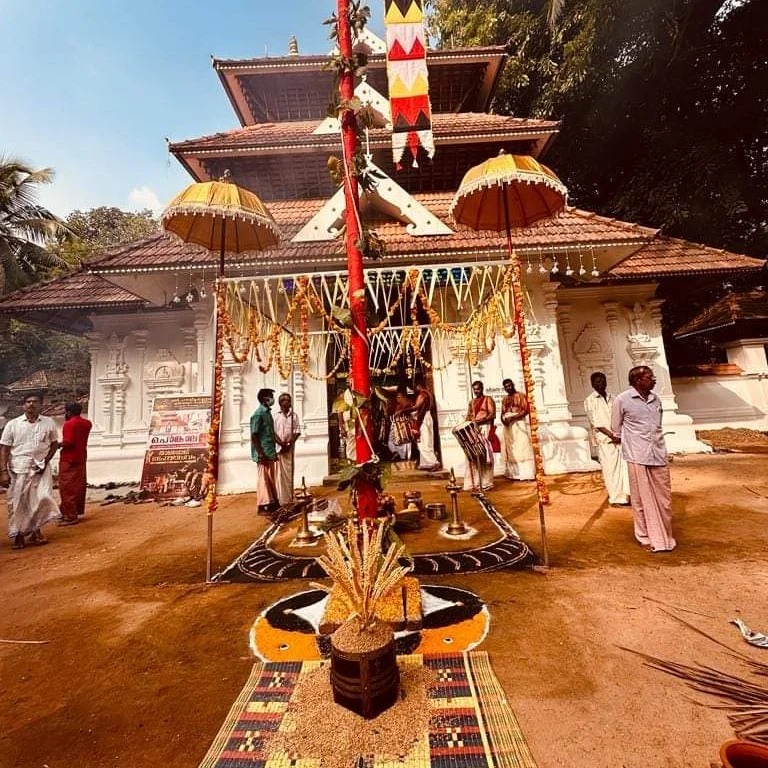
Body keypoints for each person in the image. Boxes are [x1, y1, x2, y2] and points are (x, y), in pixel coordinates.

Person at [611, 366, 676, 552]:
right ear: (638, 380)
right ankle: (645, 536)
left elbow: (657, 426)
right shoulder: (622, 400)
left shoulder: (656, 400)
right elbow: (616, 427)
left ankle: (665, 535)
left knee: (664, 498)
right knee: (641, 498)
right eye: (649, 377)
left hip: (658, 452)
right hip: (637, 455)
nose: (654, 380)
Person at [0, 394, 61, 549]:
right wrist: (3, 471)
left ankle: (36, 530)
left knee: (42, 499)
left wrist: (46, 461)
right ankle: (18, 535)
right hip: (18, 469)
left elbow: (54, 444)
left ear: (41, 404)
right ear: (23, 405)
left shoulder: (49, 423)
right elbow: (5, 449)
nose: (31, 404)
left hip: (41, 468)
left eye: (35, 402)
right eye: (28, 402)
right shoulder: (13, 425)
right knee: (18, 503)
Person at [584, 372, 630, 506]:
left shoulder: (614, 397)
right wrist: (611, 435)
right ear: (592, 384)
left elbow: (621, 416)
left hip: (619, 438)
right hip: (605, 439)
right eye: (597, 382)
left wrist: (620, 434)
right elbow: (596, 423)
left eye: (602, 381)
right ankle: (615, 498)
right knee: (610, 469)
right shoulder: (590, 400)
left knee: (622, 468)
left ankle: (625, 496)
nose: (601, 384)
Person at [58, 401, 93, 524]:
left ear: (68, 412)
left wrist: (56, 444)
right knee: (78, 485)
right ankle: (73, 511)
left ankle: (70, 515)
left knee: (66, 487)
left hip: (68, 459)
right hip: (81, 457)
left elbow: (68, 442)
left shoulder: (69, 424)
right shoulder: (87, 423)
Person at [463, 380, 495, 492]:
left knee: (485, 455)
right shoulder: (471, 402)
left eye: (478, 389)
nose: (477, 391)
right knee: (473, 455)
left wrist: (480, 421)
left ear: (482, 388)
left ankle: (487, 482)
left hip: (484, 429)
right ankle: (474, 483)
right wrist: (466, 425)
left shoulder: (488, 400)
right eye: (475, 389)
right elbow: (468, 416)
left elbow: (492, 414)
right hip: (473, 430)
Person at [250, 388, 279, 513]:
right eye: (270, 397)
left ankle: (272, 502)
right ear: (264, 399)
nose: (272, 399)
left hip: (269, 450)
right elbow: (254, 435)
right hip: (262, 452)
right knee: (263, 478)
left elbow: (271, 433)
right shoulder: (258, 414)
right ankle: (263, 504)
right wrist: (260, 453)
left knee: (270, 477)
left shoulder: (267, 413)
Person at [500, 379, 535, 481]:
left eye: (510, 385)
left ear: (513, 385)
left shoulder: (521, 396)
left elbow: (525, 410)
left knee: (523, 447)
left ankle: (527, 475)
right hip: (508, 426)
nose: (508, 388)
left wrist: (514, 418)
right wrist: (503, 420)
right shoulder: (505, 399)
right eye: (506, 387)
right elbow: (502, 413)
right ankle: (513, 474)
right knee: (511, 449)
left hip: (519, 423)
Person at [273, 392, 301, 505]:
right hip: (279, 449)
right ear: (280, 403)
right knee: (279, 475)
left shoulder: (294, 416)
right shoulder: (275, 416)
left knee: (289, 473)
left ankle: (289, 498)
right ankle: (281, 499)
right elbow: (273, 432)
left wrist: (289, 443)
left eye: (289, 400)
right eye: (285, 400)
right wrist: (282, 444)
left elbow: (297, 431)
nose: (287, 402)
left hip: (289, 449)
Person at [409, 376, 440, 471]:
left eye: (414, 387)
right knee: (427, 442)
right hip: (428, 417)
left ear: (418, 386)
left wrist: (403, 411)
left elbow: (416, 407)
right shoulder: (429, 394)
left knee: (423, 443)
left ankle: (434, 462)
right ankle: (425, 463)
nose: (414, 389)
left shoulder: (423, 395)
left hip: (423, 419)